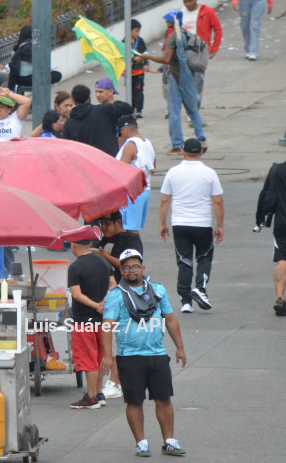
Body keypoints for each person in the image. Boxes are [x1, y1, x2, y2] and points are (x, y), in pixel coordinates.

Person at [100, 249, 187, 457]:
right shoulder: (115, 295)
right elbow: (107, 326)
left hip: (157, 354)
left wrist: (180, 347)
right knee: (134, 401)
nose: (131, 271)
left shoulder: (158, 290)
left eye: (135, 267)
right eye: (127, 267)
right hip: (129, 356)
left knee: (163, 399)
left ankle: (169, 441)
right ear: (121, 270)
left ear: (143, 268)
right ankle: (141, 443)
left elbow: (170, 319)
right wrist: (107, 356)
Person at [159, 138, 224, 313]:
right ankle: (200, 288)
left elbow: (165, 200)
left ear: (183, 152)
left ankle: (185, 302)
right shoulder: (209, 173)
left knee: (184, 261)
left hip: (180, 223)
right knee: (204, 257)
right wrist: (220, 225)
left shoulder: (173, 172)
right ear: (201, 152)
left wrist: (162, 224)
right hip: (202, 223)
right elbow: (218, 202)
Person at [94, 211, 143, 400]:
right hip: (106, 294)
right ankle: (114, 382)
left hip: (126, 293)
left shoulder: (131, 239)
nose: (103, 227)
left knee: (120, 339)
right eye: (101, 223)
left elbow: (129, 267)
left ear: (118, 222)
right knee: (111, 339)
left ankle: (115, 383)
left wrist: (104, 256)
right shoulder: (103, 240)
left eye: (107, 223)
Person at [145, 11, 208, 156]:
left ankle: (177, 145)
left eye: (168, 20)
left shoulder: (173, 37)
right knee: (193, 111)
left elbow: (166, 60)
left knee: (174, 113)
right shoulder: (188, 35)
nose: (166, 22)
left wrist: (147, 57)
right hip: (190, 77)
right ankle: (202, 140)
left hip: (176, 77)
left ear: (173, 21)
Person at [67, 239, 114, 410]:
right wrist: (102, 303)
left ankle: (91, 397)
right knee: (100, 356)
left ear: (73, 245)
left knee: (88, 359)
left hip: (83, 320)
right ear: (89, 245)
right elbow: (113, 285)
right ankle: (99, 393)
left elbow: (76, 294)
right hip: (102, 320)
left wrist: (95, 305)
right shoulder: (103, 262)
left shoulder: (75, 267)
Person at [62, 84, 132, 157]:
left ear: (74, 101)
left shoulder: (68, 124)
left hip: (86, 161)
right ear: (89, 98)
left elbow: (66, 149)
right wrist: (111, 101)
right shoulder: (103, 110)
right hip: (108, 159)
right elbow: (127, 108)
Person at [181, 0, 221, 104]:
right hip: (183, 52)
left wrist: (214, 49)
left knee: (197, 83)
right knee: (183, 83)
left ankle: (194, 109)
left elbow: (218, 29)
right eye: (185, 1)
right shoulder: (180, 12)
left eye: (190, 1)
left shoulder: (207, 11)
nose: (188, 4)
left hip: (199, 52)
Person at [116, 114, 156, 233]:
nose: (121, 136)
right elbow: (154, 166)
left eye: (121, 133)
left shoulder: (130, 145)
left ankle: (133, 246)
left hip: (132, 194)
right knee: (133, 229)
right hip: (145, 190)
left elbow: (121, 171)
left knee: (129, 231)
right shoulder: (148, 143)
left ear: (125, 130)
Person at [255, 162, 286, 315]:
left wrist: (260, 218)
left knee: (282, 259)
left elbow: (266, 194)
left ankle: (280, 297)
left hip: (282, 222)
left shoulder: (277, 169)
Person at [8, 25, 62, 94]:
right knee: (57, 75)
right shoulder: (30, 46)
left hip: (18, 80)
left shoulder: (15, 49)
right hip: (31, 79)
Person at [126, 19, 150, 117]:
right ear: (129, 30)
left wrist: (146, 63)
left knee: (139, 90)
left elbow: (145, 52)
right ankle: (131, 109)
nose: (138, 33)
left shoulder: (140, 41)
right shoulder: (124, 42)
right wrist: (133, 60)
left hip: (139, 70)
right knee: (130, 91)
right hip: (129, 72)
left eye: (139, 31)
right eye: (136, 31)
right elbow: (122, 57)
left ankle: (139, 110)